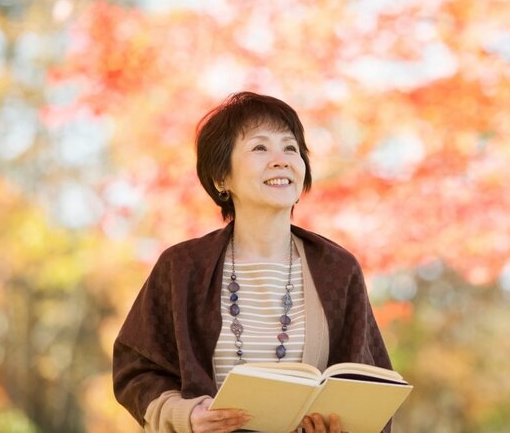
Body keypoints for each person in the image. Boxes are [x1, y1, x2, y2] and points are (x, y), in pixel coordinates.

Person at [113, 92, 393, 433]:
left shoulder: (337, 268)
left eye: (291, 148)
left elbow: (371, 382)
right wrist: (186, 415)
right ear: (221, 179)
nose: (281, 160)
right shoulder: (182, 266)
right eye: (260, 148)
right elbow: (135, 368)